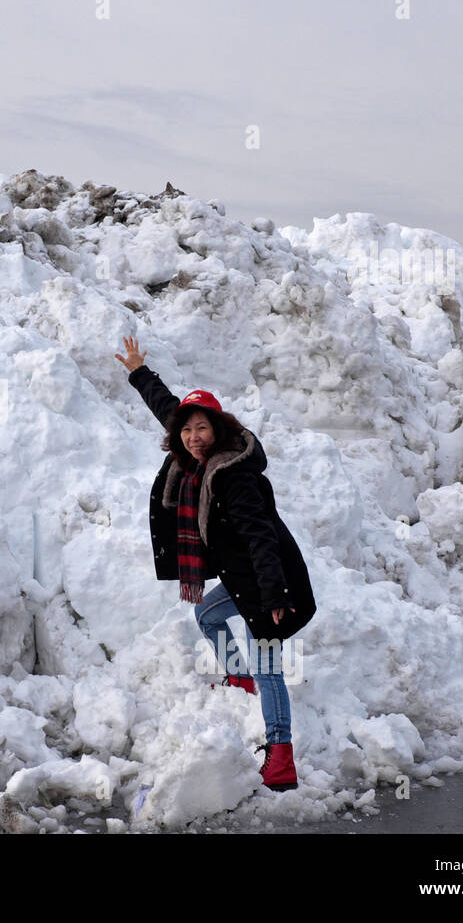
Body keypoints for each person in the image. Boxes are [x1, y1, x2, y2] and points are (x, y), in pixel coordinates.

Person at [115, 335, 317, 791]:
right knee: (206, 613)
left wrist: (275, 596)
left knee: (270, 667)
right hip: (243, 581)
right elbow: (168, 407)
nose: (193, 437)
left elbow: (262, 537)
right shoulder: (194, 462)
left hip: (270, 584)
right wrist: (138, 372)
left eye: (201, 428)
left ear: (219, 430)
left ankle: (281, 757)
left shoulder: (233, 475)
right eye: (186, 431)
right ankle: (239, 678)